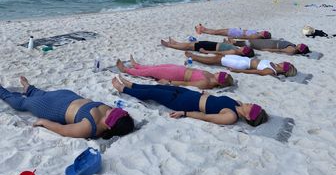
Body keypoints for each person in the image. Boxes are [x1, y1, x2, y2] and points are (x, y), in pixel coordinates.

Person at [0, 76, 134, 139]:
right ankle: (28, 88)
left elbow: (62, 129)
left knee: (21, 104)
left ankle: (2, 91)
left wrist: (43, 122)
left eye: (111, 115)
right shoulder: (111, 113)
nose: (110, 110)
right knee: (41, 93)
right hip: (68, 96)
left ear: (110, 126)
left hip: (52, 108)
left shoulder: (88, 128)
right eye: (115, 111)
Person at [112, 76, 268, 127]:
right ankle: (131, 84)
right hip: (191, 94)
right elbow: (216, 101)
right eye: (254, 105)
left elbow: (206, 117)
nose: (252, 105)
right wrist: (207, 95)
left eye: (253, 109)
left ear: (248, 117)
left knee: (153, 93)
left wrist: (184, 113)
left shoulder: (231, 116)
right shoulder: (238, 104)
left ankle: (123, 89)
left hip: (183, 103)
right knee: (158, 87)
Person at [116, 57, 233, 90]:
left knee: (151, 72)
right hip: (179, 69)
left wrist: (170, 82)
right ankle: (137, 66)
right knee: (156, 67)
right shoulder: (210, 75)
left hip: (176, 75)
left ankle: (126, 70)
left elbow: (186, 84)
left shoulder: (205, 83)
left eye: (221, 75)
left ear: (220, 81)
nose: (218, 72)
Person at [184, 52, 297, 77]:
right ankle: (197, 56)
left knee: (216, 60)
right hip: (244, 59)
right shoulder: (275, 65)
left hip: (242, 64)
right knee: (219, 57)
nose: (283, 62)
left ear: (284, 69)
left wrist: (238, 71)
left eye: (285, 65)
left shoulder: (271, 71)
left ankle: (194, 57)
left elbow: (256, 71)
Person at [161, 37, 255, 57]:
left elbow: (220, 53)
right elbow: (227, 46)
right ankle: (175, 42)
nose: (243, 48)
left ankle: (169, 45)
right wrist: (226, 42)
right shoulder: (236, 49)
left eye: (244, 50)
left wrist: (206, 52)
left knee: (189, 46)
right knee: (189, 44)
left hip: (211, 47)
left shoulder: (234, 52)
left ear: (243, 53)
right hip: (212, 44)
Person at [231, 39, 310, 56]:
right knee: (252, 42)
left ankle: (233, 43)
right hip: (272, 43)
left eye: (301, 46)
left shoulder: (292, 49)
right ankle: (234, 42)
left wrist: (267, 50)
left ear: (300, 49)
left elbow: (279, 50)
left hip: (271, 45)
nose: (300, 44)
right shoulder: (294, 46)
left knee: (252, 43)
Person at [195, 23, 271, 39]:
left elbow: (245, 36)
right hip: (236, 31)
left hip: (235, 33)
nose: (262, 31)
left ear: (263, 35)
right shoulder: (257, 33)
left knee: (216, 32)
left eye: (263, 32)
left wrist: (236, 36)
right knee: (217, 31)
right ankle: (203, 28)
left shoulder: (256, 36)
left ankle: (202, 31)